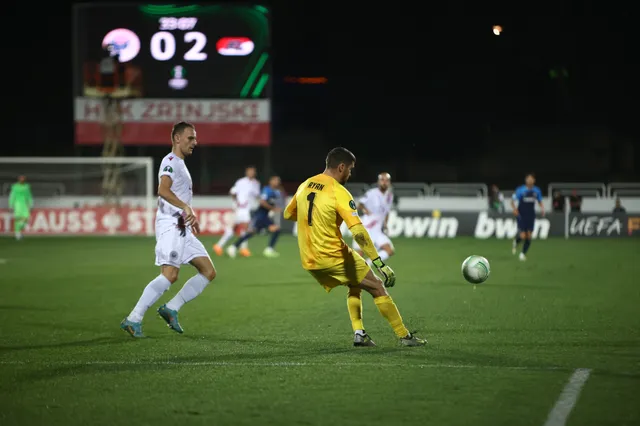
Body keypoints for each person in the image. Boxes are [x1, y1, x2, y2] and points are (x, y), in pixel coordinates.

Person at [283, 147, 426, 347]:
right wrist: (379, 262)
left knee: (355, 284)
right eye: (350, 169)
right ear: (341, 167)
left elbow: (288, 215)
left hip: (309, 259)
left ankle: (359, 334)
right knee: (377, 286)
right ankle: (405, 336)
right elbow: (358, 232)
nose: (350, 173)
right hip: (333, 255)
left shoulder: (305, 184)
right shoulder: (339, 192)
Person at [121, 122, 217, 338]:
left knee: (208, 271)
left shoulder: (181, 164)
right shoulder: (171, 161)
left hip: (183, 227)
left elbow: (176, 194)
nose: (195, 142)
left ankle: (171, 308)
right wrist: (185, 207)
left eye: (195, 138)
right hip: (171, 227)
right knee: (170, 275)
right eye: (190, 138)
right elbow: (162, 190)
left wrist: (188, 216)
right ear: (177, 139)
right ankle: (133, 318)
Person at [227, 175, 282, 259]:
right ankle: (269, 249)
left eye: (278, 180)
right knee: (275, 229)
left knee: (251, 233)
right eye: (275, 180)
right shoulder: (266, 190)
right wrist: (273, 209)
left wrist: (274, 209)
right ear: (270, 181)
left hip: (264, 216)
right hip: (260, 215)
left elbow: (273, 202)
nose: (277, 182)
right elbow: (262, 202)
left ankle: (233, 247)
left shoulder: (277, 192)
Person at [213, 166, 261, 257]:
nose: (251, 173)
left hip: (249, 209)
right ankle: (243, 248)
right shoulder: (241, 182)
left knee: (235, 229)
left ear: (255, 173)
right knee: (246, 229)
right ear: (246, 172)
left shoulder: (256, 183)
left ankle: (219, 245)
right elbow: (232, 192)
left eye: (253, 172)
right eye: (249, 171)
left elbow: (257, 196)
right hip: (241, 209)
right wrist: (236, 202)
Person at [352, 172, 395, 265]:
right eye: (382, 180)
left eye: (387, 180)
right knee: (359, 254)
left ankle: (368, 263)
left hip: (377, 230)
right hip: (367, 228)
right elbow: (360, 205)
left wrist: (385, 224)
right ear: (378, 182)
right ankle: (344, 271)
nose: (384, 182)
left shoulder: (389, 196)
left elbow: (386, 212)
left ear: (389, 182)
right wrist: (366, 211)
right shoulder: (371, 193)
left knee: (389, 250)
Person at [511, 173, 545, 261]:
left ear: (534, 180)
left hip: (531, 215)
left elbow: (540, 200)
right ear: (526, 180)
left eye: (531, 179)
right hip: (521, 215)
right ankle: (516, 241)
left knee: (529, 236)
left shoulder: (537, 191)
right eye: (528, 178)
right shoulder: (520, 190)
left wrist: (542, 209)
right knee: (523, 236)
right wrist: (515, 209)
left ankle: (522, 254)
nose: (529, 180)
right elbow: (512, 201)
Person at [8, 175, 33, 240]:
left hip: (24, 204)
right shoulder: (15, 186)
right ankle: (17, 234)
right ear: (18, 179)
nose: (22, 179)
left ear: (24, 179)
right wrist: (11, 205)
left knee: (26, 217)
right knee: (17, 219)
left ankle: (18, 230)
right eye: (20, 178)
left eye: (23, 178)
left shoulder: (27, 186)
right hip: (17, 204)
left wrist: (31, 204)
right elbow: (12, 196)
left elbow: (29, 196)